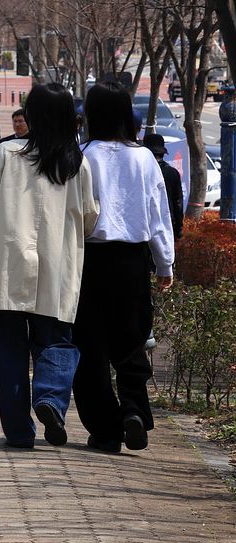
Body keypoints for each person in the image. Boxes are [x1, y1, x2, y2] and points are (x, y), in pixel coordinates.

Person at [0, 84, 99, 449]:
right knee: (57, 345)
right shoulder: (76, 163)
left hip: (8, 267)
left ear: (31, 115)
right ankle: (50, 398)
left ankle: (19, 432)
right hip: (57, 269)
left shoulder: (8, 152)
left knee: (9, 354)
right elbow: (90, 218)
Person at [73, 85, 174, 453]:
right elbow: (158, 214)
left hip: (89, 260)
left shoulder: (82, 155)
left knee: (89, 349)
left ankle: (105, 430)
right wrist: (165, 263)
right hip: (133, 260)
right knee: (132, 343)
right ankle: (133, 409)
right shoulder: (144, 158)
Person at [143, 133, 184, 242]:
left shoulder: (140, 171)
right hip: (167, 224)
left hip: (144, 224)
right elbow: (178, 202)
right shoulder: (172, 172)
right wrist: (179, 228)